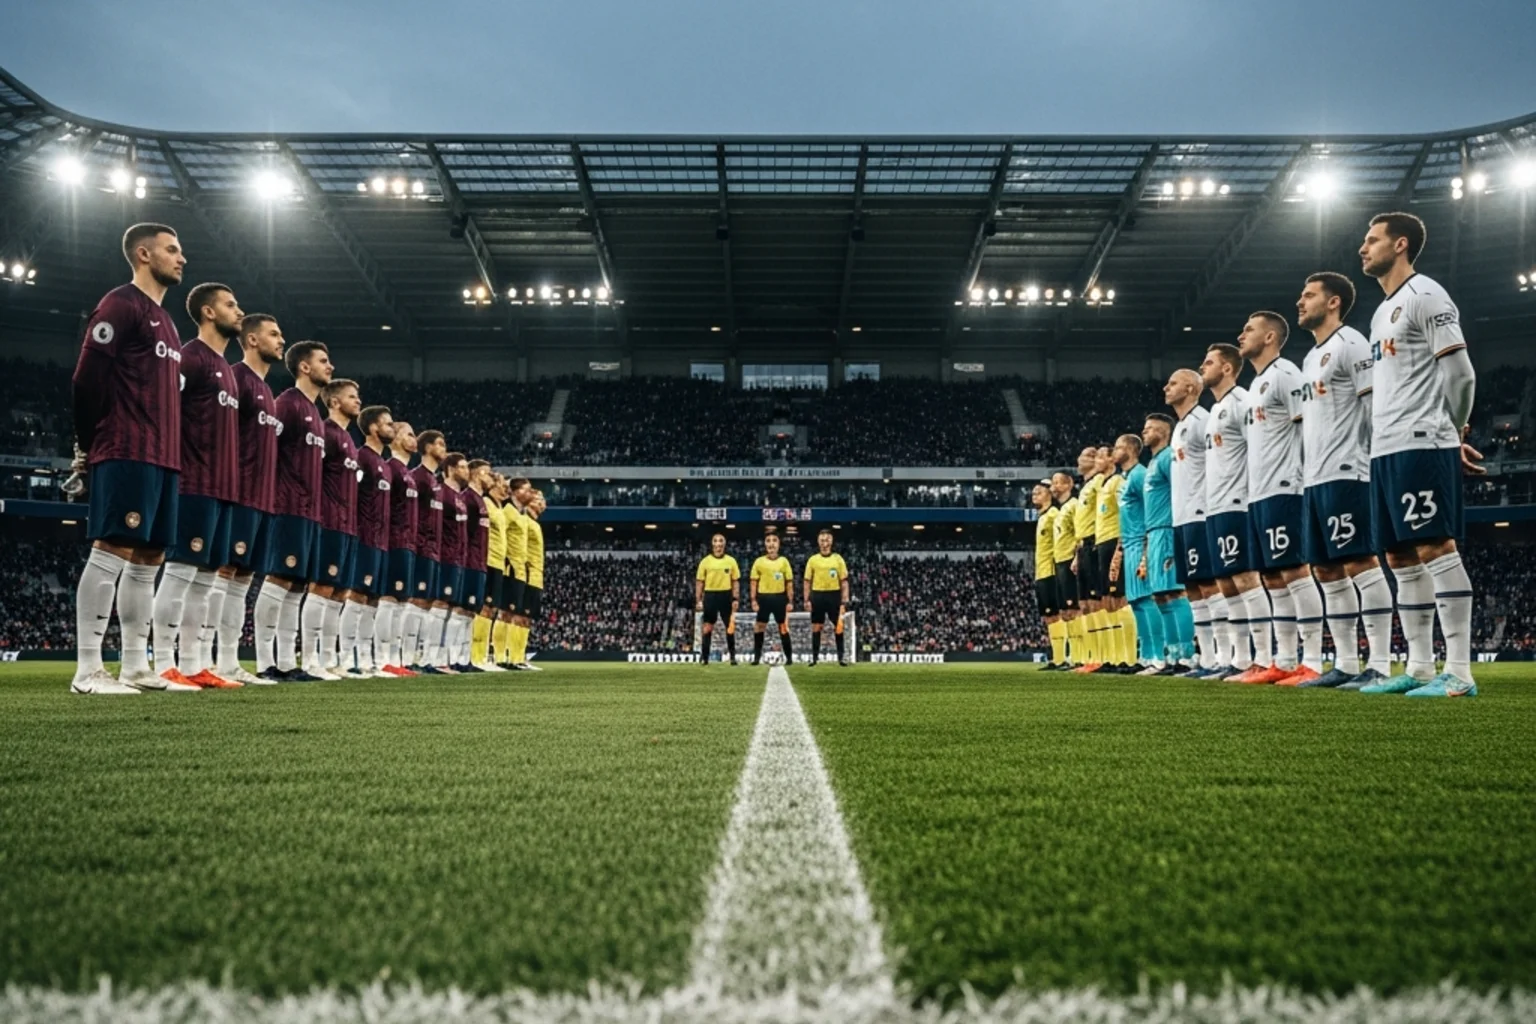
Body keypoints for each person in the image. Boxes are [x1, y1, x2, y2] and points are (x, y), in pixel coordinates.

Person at [1357, 211, 1482, 697]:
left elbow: (1462, 375)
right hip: (1386, 450)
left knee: (1435, 548)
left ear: (1401, 244)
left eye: (1373, 240)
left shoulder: (1426, 295)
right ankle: (1420, 666)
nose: (1364, 249)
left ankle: (1460, 673)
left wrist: (1451, 432)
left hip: (1422, 442)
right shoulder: (1380, 311)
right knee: (1400, 556)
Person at [70, 223, 188, 695]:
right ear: (144, 254)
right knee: (113, 549)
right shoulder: (120, 303)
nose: (182, 258)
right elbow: (85, 378)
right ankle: (87, 670)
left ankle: (137, 665)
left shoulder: (169, 323)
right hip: (126, 447)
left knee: (149, 558)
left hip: (164, 456)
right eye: (172, 250)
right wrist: (89, 441)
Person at [1294, 271, 1394, 689]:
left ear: (1333, 302)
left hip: (1348, 471)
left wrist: (1374, 465)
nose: (1300, 301)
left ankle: (1382, 664)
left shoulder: (1352, 344)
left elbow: (1375, 405)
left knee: (1360, 564)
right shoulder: (1310, 357)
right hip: (1315, 479)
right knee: (1327, 570)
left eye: (1309, 294)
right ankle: (1347, 664)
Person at [150, 281, 245, 690]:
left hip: (222, 487)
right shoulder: (190, 358)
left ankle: (193, 663)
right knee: (179, 573)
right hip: (193, 481)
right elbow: (166, 410)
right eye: (230, 304)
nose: (238, 310)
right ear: (208, 312)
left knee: (205, 580)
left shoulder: (225, 368)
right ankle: (161, 664)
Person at [1233, 311, 1321, 685]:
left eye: (1249, 329)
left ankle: (1313, 660)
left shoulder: (1286, 375)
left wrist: (1302, 478)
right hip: (1260, 492)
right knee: (1272, 577)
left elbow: (1310, 425)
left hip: (1286, 486)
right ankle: (1283, 661)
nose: (1241, 334)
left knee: (1295, 570)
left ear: (1270, 337)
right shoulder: (1257, 385)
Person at [254, 341, 332, 683]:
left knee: (296, 587)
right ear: (304, 366)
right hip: (286, 507)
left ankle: (287, 662)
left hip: (310, 512)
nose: (330, 366)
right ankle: (263, 663)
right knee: (278, 580)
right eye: (323, 361)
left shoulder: (315, 414)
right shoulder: (286, 404)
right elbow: (267, 450)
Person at [220, 314, 285, 686]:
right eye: (273, 334)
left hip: (261, 498)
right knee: (223, 572)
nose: (280, 340)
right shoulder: (236, 378)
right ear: (251, 340)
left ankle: (228, 662)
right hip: (237, 492)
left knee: (242, 578)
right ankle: (207, 660)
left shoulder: (267, 392)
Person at [1200, 342, 1259, 680]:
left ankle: (1260, 657)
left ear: (1226, 368)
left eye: (1208, 362)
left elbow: (1259, 448)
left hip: (1238, 502)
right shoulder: (1216, 411)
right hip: (1217, 506)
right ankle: (1237, 660)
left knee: (1245, 578)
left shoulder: (1241, 402)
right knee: (1226, 583)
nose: (1202, 367)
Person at [302, 378, 362, 680]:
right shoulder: (326, 432)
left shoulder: (350, 441)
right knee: (322, 587)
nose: (358, 401)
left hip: (347, 525)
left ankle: (328, 660)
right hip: (327, 521)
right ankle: (310, 660)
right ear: (335, 402)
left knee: (339, 593)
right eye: (353, 396)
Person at [1167, 369, 1220, 676]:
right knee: (1194, 589)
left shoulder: (1202, 421)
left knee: (1210, 584)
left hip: (1201, 513)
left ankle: (1224, 656)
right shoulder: (1180, 427)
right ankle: (1208, 656)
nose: (1166, 387)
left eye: (1173, 383)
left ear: (1190, 388)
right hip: (1182, 517)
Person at [1141, 413, 1195, 674]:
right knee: (1160, 597)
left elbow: (1181, 489)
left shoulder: (1167, 458)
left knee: (1175, 592)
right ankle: (1172, 656)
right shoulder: (1152, 462)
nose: (1144, 432)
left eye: (1149, 428)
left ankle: (1186, 657)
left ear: (1162, 432)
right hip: (1153, 533)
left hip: (1167, 531)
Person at [344, 404, 395, 678]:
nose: (392, 428)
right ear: (374, 428)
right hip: (363, 538)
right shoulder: (362, 457)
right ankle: (346, 659)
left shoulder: (384, 466)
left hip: (381, 541)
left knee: (372, 601)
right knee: (357, 597)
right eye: (388, 424)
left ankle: (365, 660)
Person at [1111, 434, 1158, 673]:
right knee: (1137, 602)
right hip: (1128, 544)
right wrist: (1119, 551)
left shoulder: (1140, 475)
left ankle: (1157, 655)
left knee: (1147, 599)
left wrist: (1147, 548)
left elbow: (1151, 510)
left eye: (1118, 446)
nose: (1114, 450)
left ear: (1131, 449)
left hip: (1140, 542)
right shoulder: (1125, 478)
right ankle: (1146, 655)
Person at [379, 420, 421, 676]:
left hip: (407, 543)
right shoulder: (391, 469)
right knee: (388, 600)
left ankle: (395, 659)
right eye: (409, 433)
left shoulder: (407, 473)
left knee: (399, 602)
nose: (413, 438)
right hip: (393, 541)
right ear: (394, 438)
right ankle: (384, 658)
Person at [409, 429, 449, 673]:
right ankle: (408, 657)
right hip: (420, 547)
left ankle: (423, 659)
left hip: (434, 550)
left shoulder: (434, 482)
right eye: (440, 444)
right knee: (415, 602)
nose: (444, 448)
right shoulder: (418, 478)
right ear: (427, 448)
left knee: (427, 604)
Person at [1093, 445, 1136, 672]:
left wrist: (1120, 548)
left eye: (1100, 456)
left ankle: (1127, 657)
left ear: (1111, 459)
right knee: (1107, 602)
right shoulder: (1103, 484)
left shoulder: (1118, 482)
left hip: (1113, 541)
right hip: (1101, 542)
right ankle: (1112, 655)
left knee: (1119, 599)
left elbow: (1125, 513)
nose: (1096, 461)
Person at [436, 452, 476, 672]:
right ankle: (437, 658)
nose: (466, 471)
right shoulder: (442, 494)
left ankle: (448, 658)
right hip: (444, 558)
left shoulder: (459, 498)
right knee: (441, 606)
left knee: (452, 609)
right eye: (462, 467)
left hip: (459, 559)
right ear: (450, 469)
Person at [1071, 447, 1106, 672]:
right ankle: (1091, 656)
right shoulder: (1085, 487)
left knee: (1098, 604)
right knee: (1084, 605)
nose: (1079, 459)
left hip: (1095, 543)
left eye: (1084, 455)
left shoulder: (1099, 482)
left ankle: (1104, 654)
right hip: (1083, 547)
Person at [472, 471, 507, 671]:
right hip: (487, 561)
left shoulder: (499, 508)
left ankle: (483, 656)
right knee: (483, 609)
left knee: (491, 610)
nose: (505, 488)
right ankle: (476, 656)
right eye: (501, 483)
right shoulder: (485, 502)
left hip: (499, 563)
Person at [1049, 470, 1084, 665]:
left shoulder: (1073, 505)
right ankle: (1073, 655)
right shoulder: (1061, 509)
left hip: (1070, 560)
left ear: (1069, 483)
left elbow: (1079, 534)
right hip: (1059, 561)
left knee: (1076, 609)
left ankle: (1081, 654)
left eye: (1057, 482)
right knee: (1066, 611)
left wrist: (1076, 557)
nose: (1053, 487)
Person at [1031, 480, 1066, 669]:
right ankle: (1057, 657)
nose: (1034, 493)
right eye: (1033, 491)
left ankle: (1063, 657)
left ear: (1049, 494)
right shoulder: (1043, 517)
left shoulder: (1054, 515)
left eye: (1039, 491)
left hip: (1052, 572)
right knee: (1049, 617)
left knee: (1058, 614)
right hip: (1041, 572)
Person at [804, 529, 850, 666]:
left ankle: (841, 658)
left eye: (827, 540)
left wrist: (844, 600)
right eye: (822, 540)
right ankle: (814, 658)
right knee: (816, 627)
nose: (825, 543)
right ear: (818, 542)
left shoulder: (838, 559)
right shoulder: (813, 560)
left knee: (839, 626)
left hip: (834, 595)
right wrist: (806, 599)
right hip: (817, 595)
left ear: (831, 541)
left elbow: (844, 581)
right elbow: (807, 581)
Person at [749, 531, 795, 666]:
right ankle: (756, 658)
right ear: (765, 544)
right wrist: (753, 600)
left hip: (779, 598)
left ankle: (789, 658)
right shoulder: (759, 562)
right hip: (763, 598)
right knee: (759, 627)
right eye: (768, 541)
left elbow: (789, 583)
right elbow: (753, 582)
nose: (771, 544)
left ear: (778, 544)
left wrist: (790, 601)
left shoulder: (784, 562)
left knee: (783, 628)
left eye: (774, 540)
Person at [696, 533, 741, 665]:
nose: (718, 544)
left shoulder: (731, 561)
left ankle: (732, 657)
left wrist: (735, 598)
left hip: (726, 595)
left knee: (730, 627)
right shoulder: (705, 561)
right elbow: (700, 582)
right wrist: (698, 600)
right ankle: (704, 658)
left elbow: (735, 581)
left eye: (721, 541)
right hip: (710, 596)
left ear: (724, 544)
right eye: (716, 541)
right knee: (707, 627)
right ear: (712, 544)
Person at [520, 489, 546, 670]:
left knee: (525, 617)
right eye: (539, 499)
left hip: (535, 575)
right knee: (516, 615)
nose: (543, 503)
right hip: (525, 574)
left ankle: (517, 656)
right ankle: (507, 656)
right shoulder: (525, 521)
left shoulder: (534, 523)